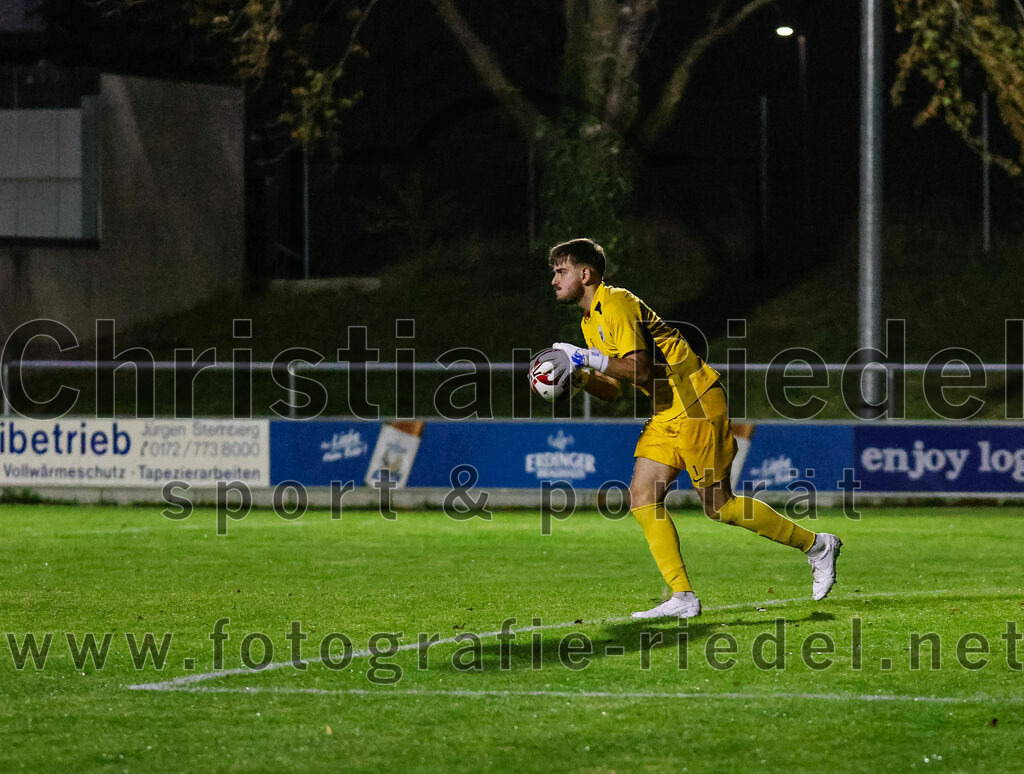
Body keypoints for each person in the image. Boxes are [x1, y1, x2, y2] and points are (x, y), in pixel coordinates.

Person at [545, 237, 841, 619]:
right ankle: (682, 596)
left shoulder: (615, 302)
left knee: (720, 506)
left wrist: (583, 357)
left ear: (585, 274)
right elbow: (616, 389)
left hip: (695, 401)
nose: (554, 280)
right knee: (642, 497)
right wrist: (579, 378)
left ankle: (817, 545)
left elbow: (640, 369)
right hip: (667, 408)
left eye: (560, 271)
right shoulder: (590, 320)